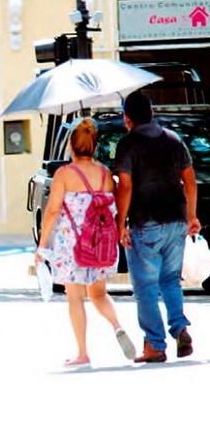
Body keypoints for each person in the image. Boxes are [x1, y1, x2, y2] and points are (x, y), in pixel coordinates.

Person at [36, 119, 136, 367]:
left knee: (75, 298)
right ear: (93, 146)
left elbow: (52, 211)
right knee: (99, 294)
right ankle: (117, 326)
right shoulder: (104, 174)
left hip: (73, 245)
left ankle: (83, 352)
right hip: (101, 243)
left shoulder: (65, 174)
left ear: (72, 145)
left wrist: (42, 245)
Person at [115, 91, 201, 363]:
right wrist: (192, 216)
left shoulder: (128, 144)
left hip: (145, 222)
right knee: (170, 280)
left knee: (145, 288)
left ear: (127, 119)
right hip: (176, 220)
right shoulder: (173, 140)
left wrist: (121, 224)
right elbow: (190, 181)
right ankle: (179, 327)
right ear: (152, 113)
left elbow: (126, 186)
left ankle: (155, 345)